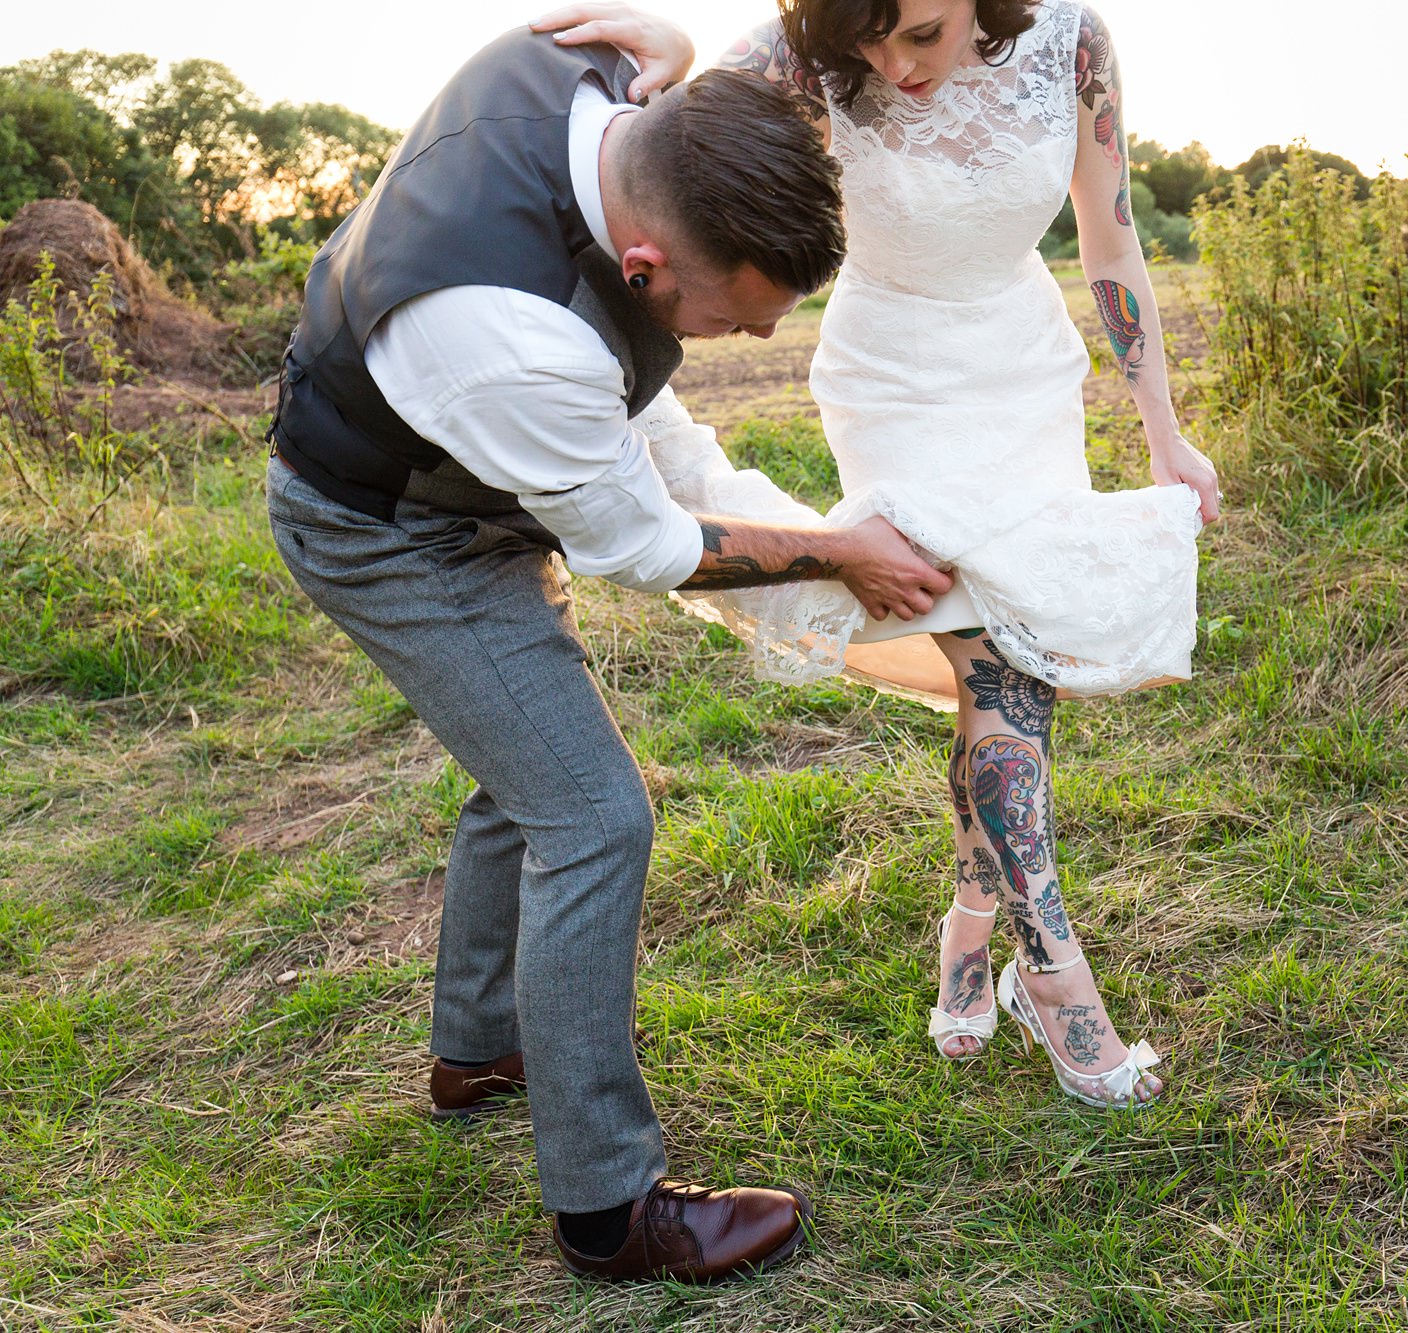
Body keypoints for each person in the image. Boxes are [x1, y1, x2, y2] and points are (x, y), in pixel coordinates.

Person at [264, 25, 954, 1282]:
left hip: (467, 480)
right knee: (590, 813)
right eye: (727, 319)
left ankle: (478, 1045)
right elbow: (647, 542)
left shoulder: (590, 80)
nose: (742, 345)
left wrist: (683, 45)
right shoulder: (511, 338)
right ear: (643, 263)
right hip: (384, 530)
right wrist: (835, 552)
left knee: (521, 764)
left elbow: (655, 421)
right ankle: (606, 1207)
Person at [534, 0, 1221, 1110]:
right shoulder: (796, 52)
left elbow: (1110, 233)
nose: (893, 66)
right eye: (867, 40)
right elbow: (660, 150)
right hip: (890, 377)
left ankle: (968, 924)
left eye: (923, 33)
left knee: (1008, 654)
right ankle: (1054, 975)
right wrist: (658, 68)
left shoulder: (1077, 42)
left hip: (1018, 367)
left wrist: (1162, 430)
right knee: (996, 663)